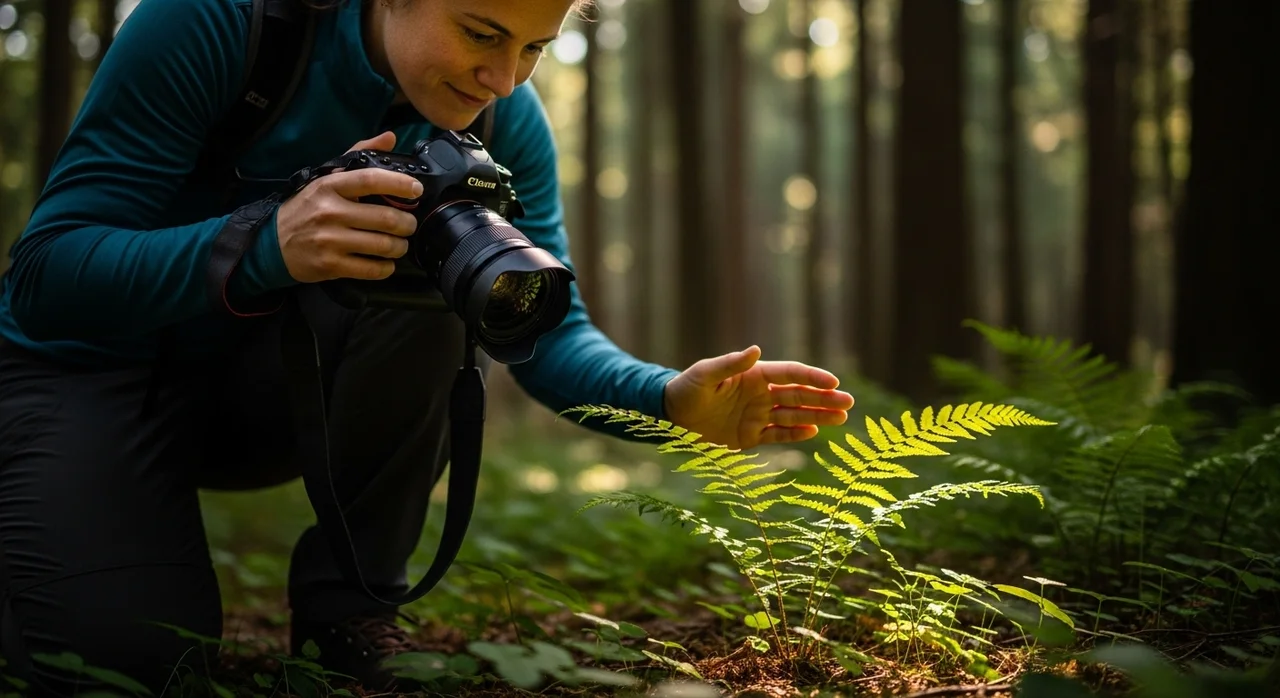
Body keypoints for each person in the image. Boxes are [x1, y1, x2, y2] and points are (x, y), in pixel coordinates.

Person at [0, 0, 855, 694]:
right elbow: (47, 271)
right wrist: (262, 244)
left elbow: (539, 320)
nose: (502, 77)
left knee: (455, 265)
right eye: (482, 33)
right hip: (88, 371)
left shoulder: (499, 128)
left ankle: (350, 613)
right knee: (128, 664)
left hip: (264, 394)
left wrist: (664, 400)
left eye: (534, 47)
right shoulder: (216, 21)